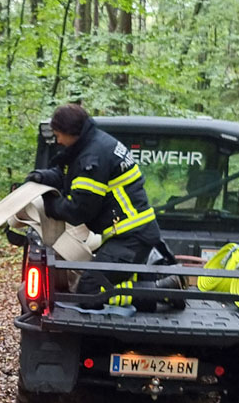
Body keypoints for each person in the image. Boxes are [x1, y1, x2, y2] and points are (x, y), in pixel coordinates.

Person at [26, 103, 180, 308]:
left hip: (131, 237)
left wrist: (48, 205)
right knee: (103, 282)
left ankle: (162, 291)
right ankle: (161, 287)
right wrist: (41, 177)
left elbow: (79, 210)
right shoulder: (93, 144)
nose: (58, 141)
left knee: (89, 292)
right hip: (132, 233)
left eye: (59, 135)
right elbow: (68, 175)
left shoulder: (93, 158)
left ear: (72, 132)